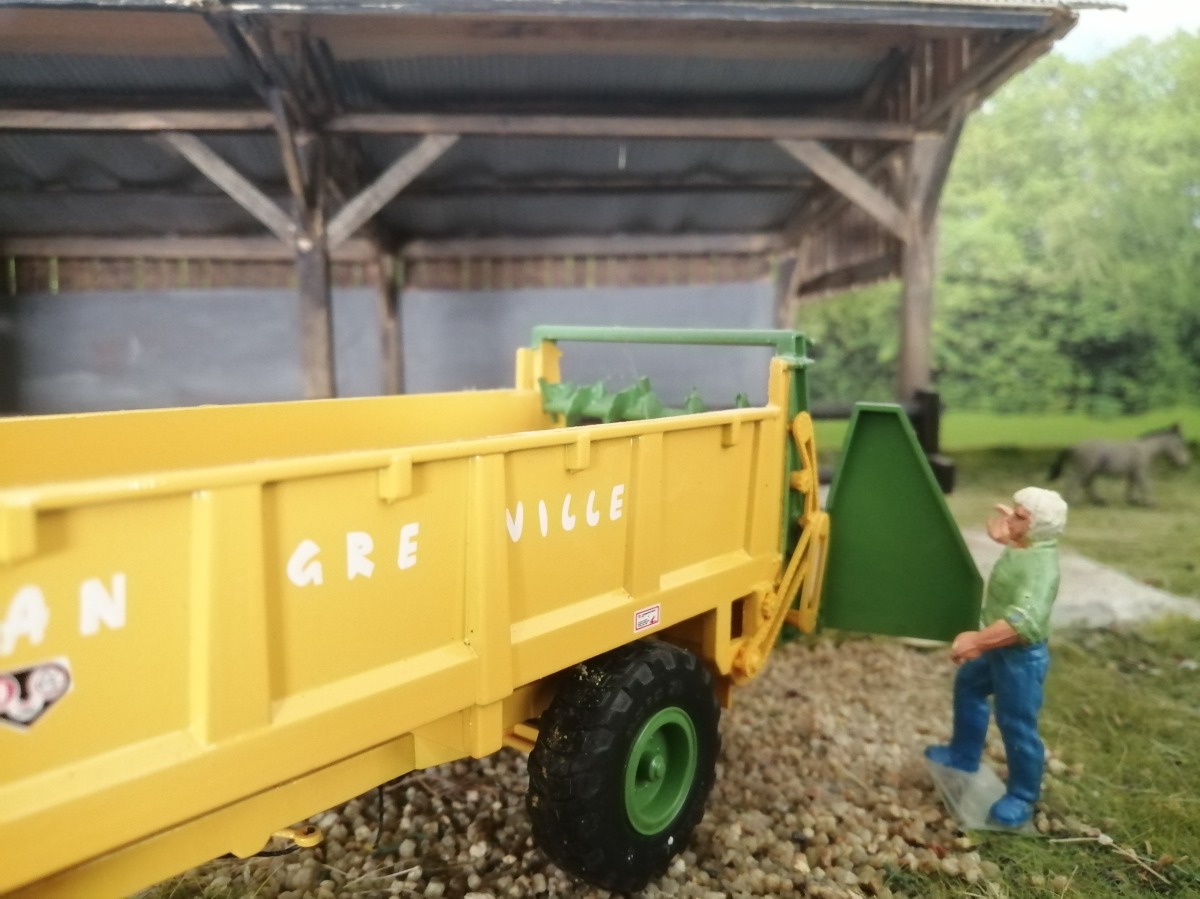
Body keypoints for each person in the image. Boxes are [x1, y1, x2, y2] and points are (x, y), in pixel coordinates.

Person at [925, 486, 1068, 828]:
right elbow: (1019, 554)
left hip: (1020, 657)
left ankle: (1022, 795)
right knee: (969, 687)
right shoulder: (1028, 547)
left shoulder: (1042, 567)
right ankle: (963, 754)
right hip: (996, 647)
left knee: (1016, 723)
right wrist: (1009, 537)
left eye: (1020, 516)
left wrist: (977, 641)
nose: (1011, 518)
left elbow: (1024, 622)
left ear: (1038, 526)